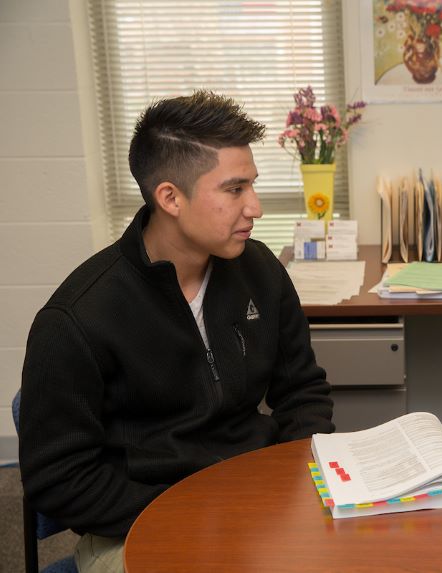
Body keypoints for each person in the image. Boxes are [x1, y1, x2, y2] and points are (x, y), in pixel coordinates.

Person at [18, 91, 335, 572]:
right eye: (234, 190)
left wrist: (291, 486)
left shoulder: (260, 270)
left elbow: (302, 392)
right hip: (140, 523)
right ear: (170, 197)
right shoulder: (77, 320)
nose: (256, 208)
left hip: (255, 509)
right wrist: (192, 512)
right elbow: (59, 478)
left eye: (252, 185)